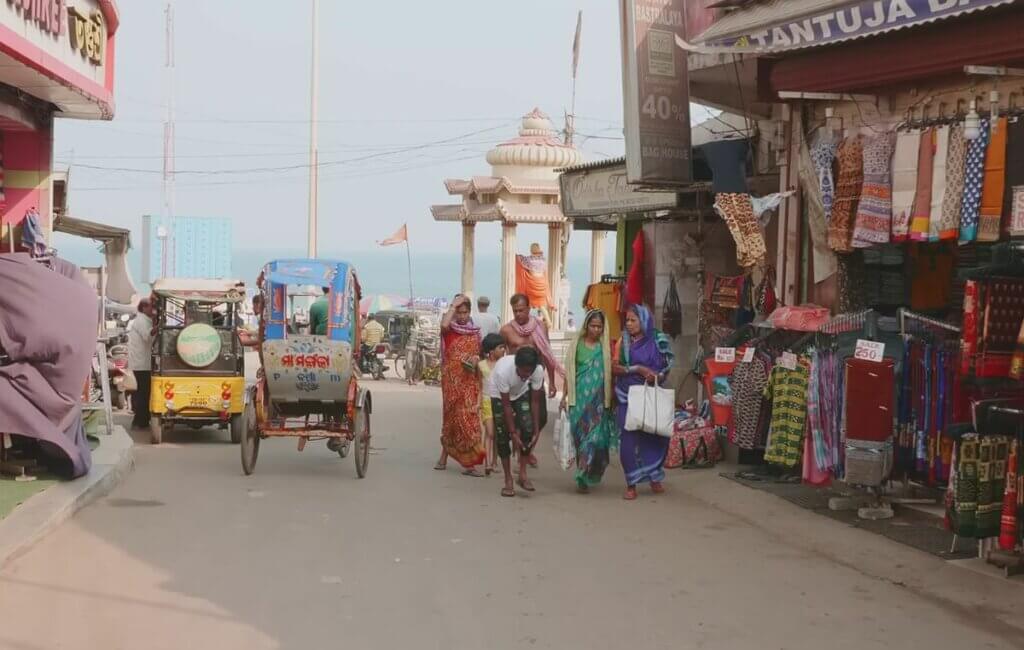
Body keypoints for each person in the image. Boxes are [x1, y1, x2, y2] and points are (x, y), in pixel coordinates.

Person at [612, 304, 674, 501]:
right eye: (627, 320)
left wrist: (658, 376)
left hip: (652, 395)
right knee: (628, 441)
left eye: (633, 320)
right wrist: (637, 369)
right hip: (626, 396)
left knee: (656, 435)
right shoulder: (624, 342)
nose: (629, 324)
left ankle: (654, 476)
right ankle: (631, 484)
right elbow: (614, 368)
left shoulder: (658, 340)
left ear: (644, 321)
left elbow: (667, 367)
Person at [559, 310, 616, 492]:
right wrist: (564, 396)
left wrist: (612, 399)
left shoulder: (605, 348)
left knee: (595, 440)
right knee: (581, 439)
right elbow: (569, 372)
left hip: (599, 403)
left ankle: (585, 473)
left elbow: (610, 375)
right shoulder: (576, 345)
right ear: (586, 325)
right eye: (593, 326)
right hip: (579, 401)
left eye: (599, 326)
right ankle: (582, 472)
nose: (596, 330)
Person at [436, 294, 486, 475]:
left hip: (469, 384)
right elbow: (443, 325)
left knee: (468, 420)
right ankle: (443, 456)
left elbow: (481, 353)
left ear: (470, 312)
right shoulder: (449, 329)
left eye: (465, 312)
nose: (462, 316)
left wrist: (476, 358)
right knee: (450, 420)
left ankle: (470, 464)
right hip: (451, 383)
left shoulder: (475, 332)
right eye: (459, 312)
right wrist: (452, 306)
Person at [489, 347, 547, 496]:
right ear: (516, 366)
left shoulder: (538, 371)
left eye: (529, 372)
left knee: (527, 429)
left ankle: (522, 474)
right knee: (502, 436)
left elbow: (534, 402)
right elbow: (507, 405)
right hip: (499, 395)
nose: (526, 375)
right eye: (523, 372)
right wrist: (513, 432)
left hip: (520, 393)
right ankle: (508, 479)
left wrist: (536, 429)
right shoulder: (503, 371)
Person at [500, 293, 563, 399]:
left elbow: (547, 355)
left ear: (528, 309)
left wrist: (552, 382)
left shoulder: (541, 327)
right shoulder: (506, 330)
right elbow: (500, 359)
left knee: (538, 412)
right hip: (515, 380)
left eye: (521, 310)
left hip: (536, 376)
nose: (518, 314)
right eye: (515, 311)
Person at [478, 333, 506, 476]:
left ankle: (494, 461)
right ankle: (487, 462)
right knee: (490, 432)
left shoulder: (504, 364)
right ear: (491, 350)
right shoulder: (481, 365)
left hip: (500, 401)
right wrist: (477, 404)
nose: (503, 350)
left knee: (496, 433)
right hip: (487, 401)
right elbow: (479, 386)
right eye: (500, 347)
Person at [127, 298, 155, 429]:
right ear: (143, 308)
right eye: (150, 306)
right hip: (141, 364)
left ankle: (143, 419)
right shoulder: (141, 321)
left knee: (145, 392)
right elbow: (147, 336)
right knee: (144, 393)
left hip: (144, 362)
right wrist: (158, 327)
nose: (152, 309)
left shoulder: (146, 320)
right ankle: (140, 421)